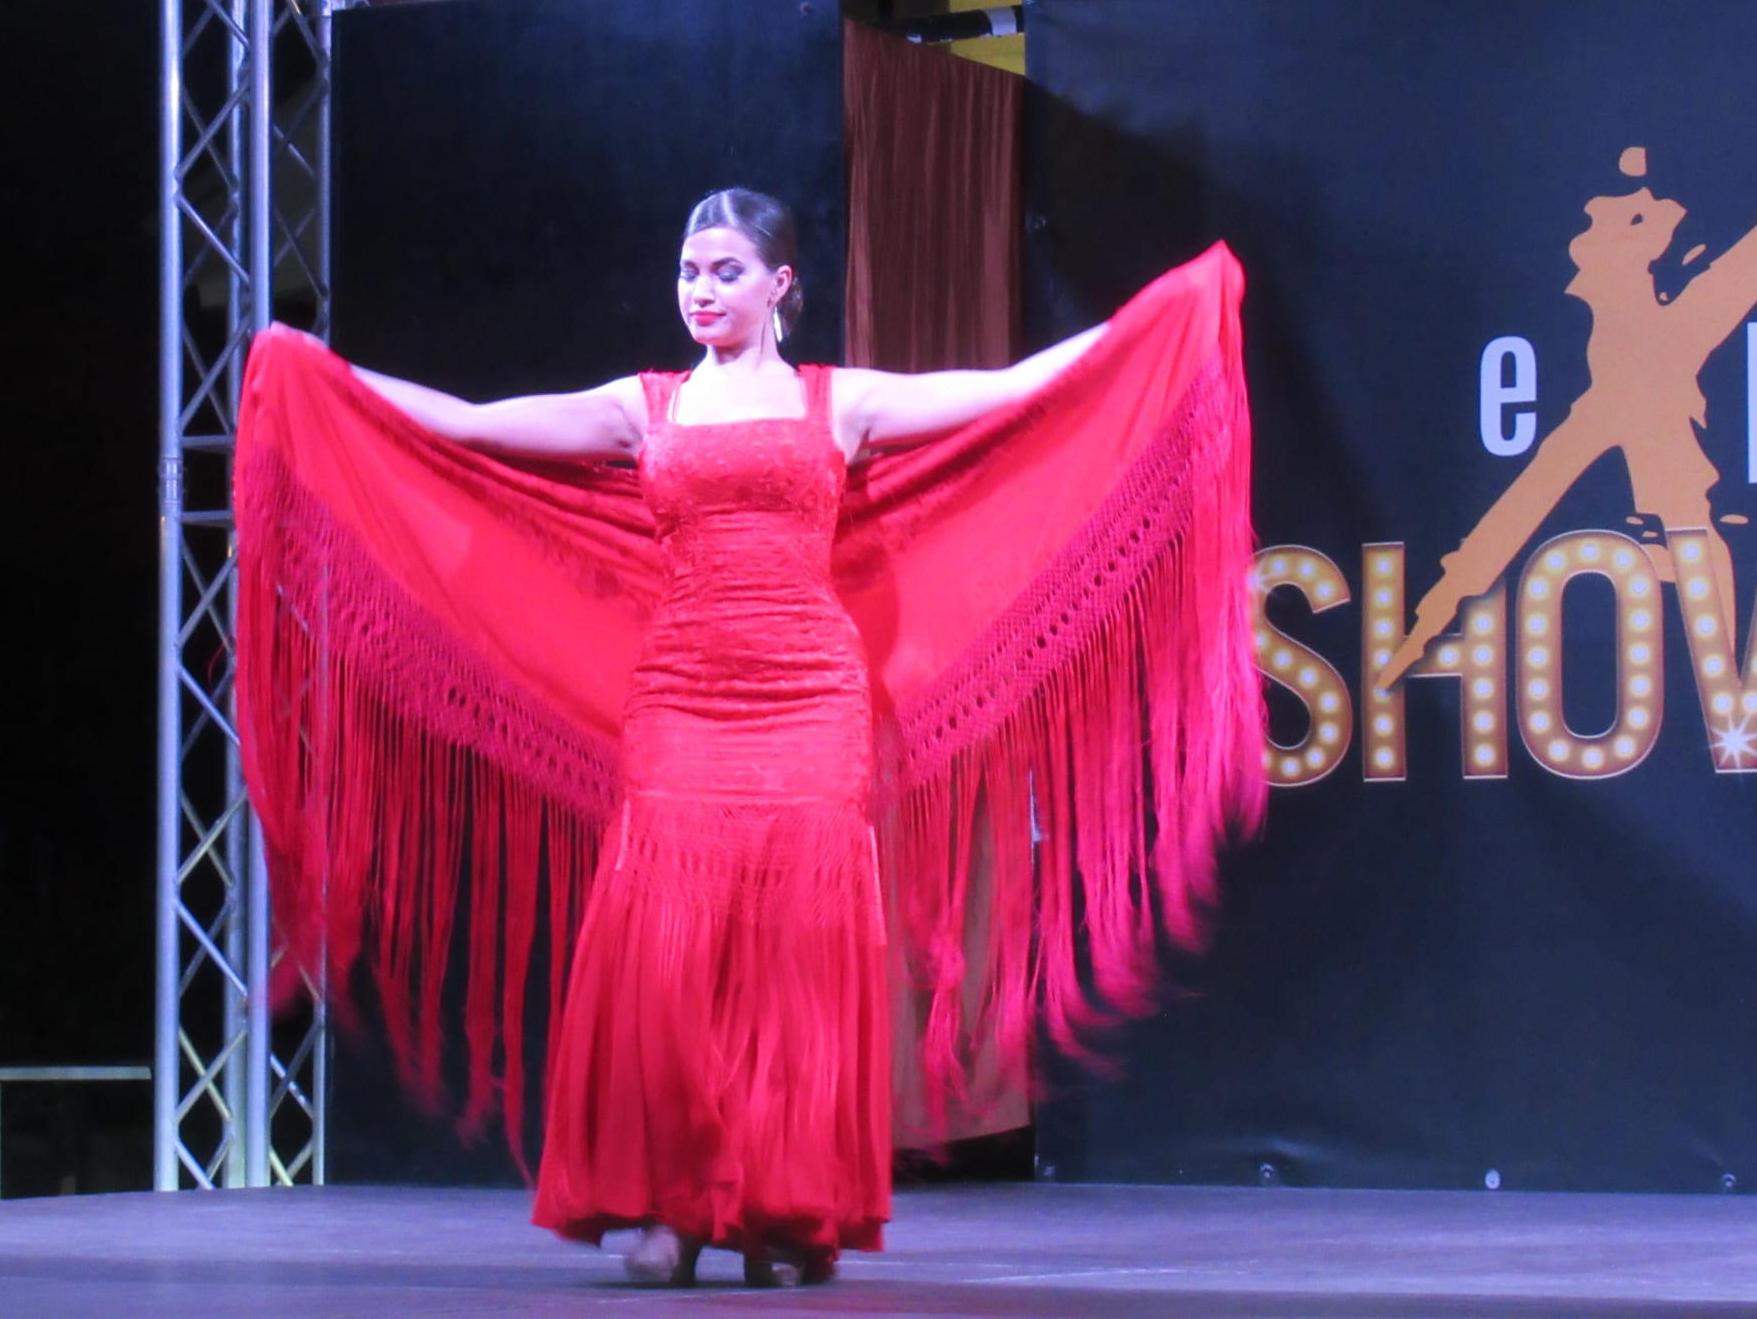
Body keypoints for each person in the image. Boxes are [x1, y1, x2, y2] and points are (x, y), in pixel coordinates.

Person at [233, 189, 1261, 1290]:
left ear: (780, 285)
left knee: (793, 963)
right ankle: (677, 1209)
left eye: (725, 271)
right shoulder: (645, 407)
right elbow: (473, 426)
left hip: (810, 701)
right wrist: (323, 375)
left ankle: (781, 1210)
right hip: (681, 700)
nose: (701, 290)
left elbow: (1012, 394)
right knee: (668, 962)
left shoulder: (840, 401)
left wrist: (1156, 319)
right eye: (688, 271)